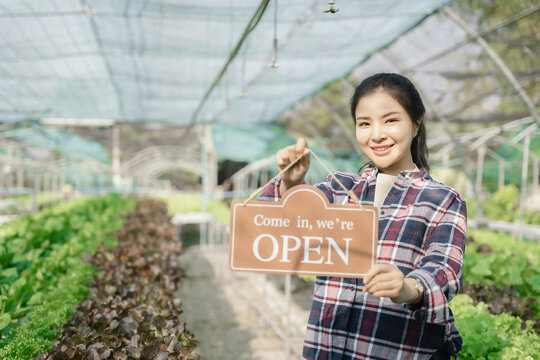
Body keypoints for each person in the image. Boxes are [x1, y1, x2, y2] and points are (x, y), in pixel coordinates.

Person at [259, 73, 467, 359]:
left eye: (391, 120)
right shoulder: (338, 189)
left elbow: (444, 269)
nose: (377, 134)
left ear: (416, 123)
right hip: (327, 349)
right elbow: (279, 226)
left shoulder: (442, 200)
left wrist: (408, 287)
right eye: (364, 123)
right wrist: (291, 184)